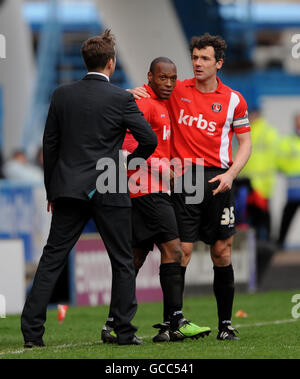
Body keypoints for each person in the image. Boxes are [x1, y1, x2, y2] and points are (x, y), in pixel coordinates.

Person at [21, 30, 157, 348]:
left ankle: (32, 335)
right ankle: (123, 331)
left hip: (67, 189)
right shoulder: (122, 98)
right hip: (109, 185)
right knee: (122, 260)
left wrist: (52, 190)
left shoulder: (61, 95)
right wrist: (127, 166)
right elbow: (148, 139)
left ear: (86, 62)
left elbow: (49, 146)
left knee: (52, 258)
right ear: (111, 63)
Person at [132, 33, 252, 340]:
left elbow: (245, 143)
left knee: (222, 252)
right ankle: (171, 324)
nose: (197, 64)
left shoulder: (234, 100)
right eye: (195, 58)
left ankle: (225, 324)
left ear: (219, 63)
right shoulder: (176, 89)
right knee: (180, 250)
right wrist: (134, 94)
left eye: (204, 59)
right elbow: (147, 95)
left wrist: (231, 174)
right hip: (184, 178)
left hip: (218, 179)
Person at [101, 57, 211, 344]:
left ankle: (113, 323)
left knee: (135, 259)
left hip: (150, 190)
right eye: (163, 78)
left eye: (173, 78)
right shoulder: (142, 102)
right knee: (173, 250)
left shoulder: (165, 103)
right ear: (150, 76)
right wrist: (165, 169)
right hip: (146, 189)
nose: (169, 83)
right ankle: (175, 321)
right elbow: (127, 146)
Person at [238, 108, 280, 241]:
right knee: (250, 214)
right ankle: (258, 242)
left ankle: (266, 241)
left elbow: (274, 157)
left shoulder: (267, 132)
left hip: (261, 183)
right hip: (247, 182)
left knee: (262, 215)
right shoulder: (246, 131)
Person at [277, 113, 300, 248]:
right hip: (294, 187)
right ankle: (280, 243)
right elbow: (280, 161)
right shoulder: (287, 141)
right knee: (288, 215)